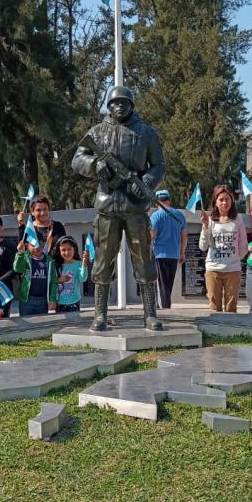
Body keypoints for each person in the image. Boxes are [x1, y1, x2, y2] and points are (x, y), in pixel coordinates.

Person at [72, 85, 166, 331]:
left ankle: (150, 314)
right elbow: (77, 159)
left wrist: (146, 182)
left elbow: (158, 164)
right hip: (107, 206)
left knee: (144, 260)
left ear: (132, 105)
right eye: (115, 102)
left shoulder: (146, 132)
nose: (119, 106)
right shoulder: (98, 132)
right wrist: (95, 165)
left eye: (125, 102)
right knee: (103, 261)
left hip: (136, 208)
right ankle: (100, 314)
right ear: (109, 106)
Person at [199, 185, 248, 312]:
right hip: (213, 269)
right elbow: (203, 246)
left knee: (231, 307)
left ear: (232, 200)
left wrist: (234, 260)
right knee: (214, 307)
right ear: (215, 201)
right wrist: (205, 226)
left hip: (233, 269)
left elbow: (243, 245)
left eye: (227, 199)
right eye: (221, 199)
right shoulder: (209, 221)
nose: (224, 203)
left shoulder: (238, 220)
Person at [149, 189, 187, 309]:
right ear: (169, 200)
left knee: (162, 284)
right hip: (174, 254)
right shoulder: (180, 215)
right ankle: (165, 306)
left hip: (159, 254)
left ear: (157, 202)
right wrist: (182, 252)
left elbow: (152, 235)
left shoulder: (155, 216)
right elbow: (184, 235)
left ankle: (164, 309)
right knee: (168, 284)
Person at [13, 237, 58, 316]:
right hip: (26, 300)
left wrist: (52, 299)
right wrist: (20, 253)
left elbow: (54, 281)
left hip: (43, 300)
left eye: (39, 245)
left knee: (41, 325)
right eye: (33, 245)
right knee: (26, 325)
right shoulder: (25, 257)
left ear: (43, 244)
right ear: (27, 246)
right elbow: (18, 269)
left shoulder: (50, 261)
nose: (37, 247)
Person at [53, 235, 90, 313]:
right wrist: (59, 280)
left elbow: (83, 278)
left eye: (69, 249)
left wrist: (84, 264)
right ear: (59, 251)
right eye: (63, 250)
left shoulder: (79, 264)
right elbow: (51, 281)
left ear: (74, 249)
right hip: (59, 303)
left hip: (74, 302)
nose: (67, 252)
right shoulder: (56, 265)